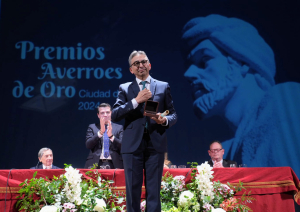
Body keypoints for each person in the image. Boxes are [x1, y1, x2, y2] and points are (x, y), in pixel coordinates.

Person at [182, 14, 300, 176]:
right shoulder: (228, 152)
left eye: (204, 60)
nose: (188, 74)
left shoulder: (287, 101)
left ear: (242, 63)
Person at [111, 50, 177, 212]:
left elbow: (173, 114)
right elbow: (115, 114)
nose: (141, 65)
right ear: (131, 70)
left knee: (154, 190)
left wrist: (164, 120)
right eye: (136, 63)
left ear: (149, 65)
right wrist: (136, 100)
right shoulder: (125, 88)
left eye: (143, 62)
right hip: (132, 146)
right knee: (132, 190)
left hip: (155, 144)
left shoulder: (163, 86)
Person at [85, 103, 124, 169]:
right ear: (98, 115)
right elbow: (88, 145)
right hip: (95, 164)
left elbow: (123, 147)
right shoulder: (92, 127)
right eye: (102, 113)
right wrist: (100, 133)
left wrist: (111, 136)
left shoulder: (119, 128)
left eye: (107, 112)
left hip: (114, 164)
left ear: (111, 113)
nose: (105, 115)